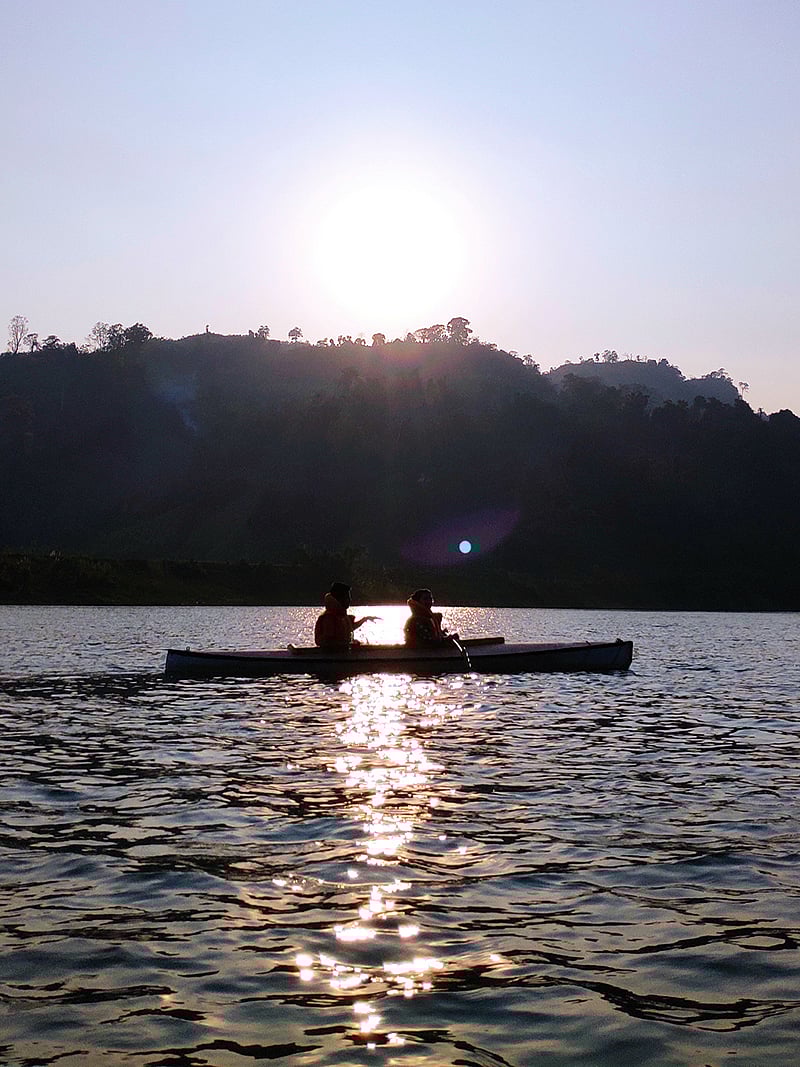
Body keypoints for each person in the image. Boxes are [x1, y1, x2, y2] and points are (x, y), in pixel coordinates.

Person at [314, 582, 378, 648]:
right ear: (340, 599)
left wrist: (365, 619)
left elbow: (349, 628)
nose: (350, 600)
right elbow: (329, 642)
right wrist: (349, 645)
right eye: (347, 597)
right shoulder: (329, 618)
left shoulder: (340, 615)